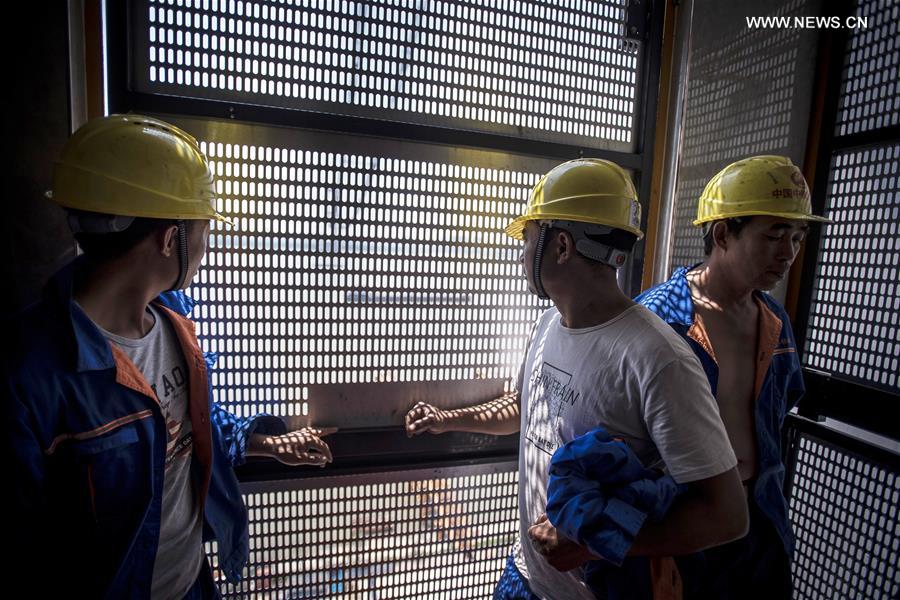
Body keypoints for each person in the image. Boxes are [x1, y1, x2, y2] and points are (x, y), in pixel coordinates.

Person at [5, 114, 333, 599]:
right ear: (168, 239)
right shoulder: (28, 374)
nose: (205, 246)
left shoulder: (175, 322)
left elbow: (182, 429)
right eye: (202, 229)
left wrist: (265, 443)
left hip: (190, 583)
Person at [405, 158, 748, 599]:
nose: (522, 254)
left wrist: (593, 542)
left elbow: (726, 515)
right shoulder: (547, 325)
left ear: (562, 245)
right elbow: (529, 409)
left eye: (528, 239)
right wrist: (449, 418)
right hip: (526, 574)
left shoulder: (658, 359)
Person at [636, 155, 828, 597]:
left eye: (797, 237)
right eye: (774, 234)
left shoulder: (774, 322)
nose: (789, 253)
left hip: (760, 521)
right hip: (683, 521)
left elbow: (779, 412)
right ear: (722, 233)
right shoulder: (659, 318)